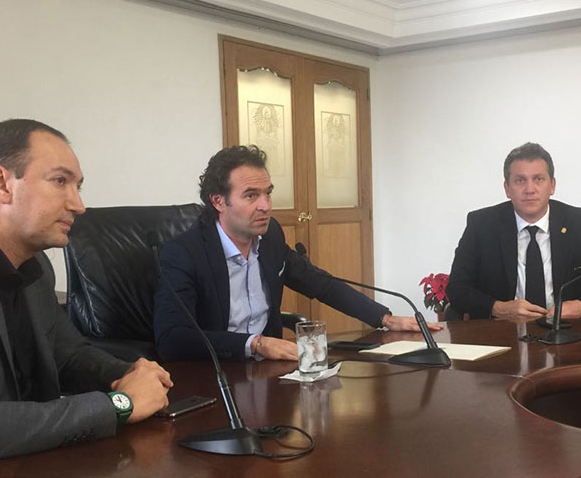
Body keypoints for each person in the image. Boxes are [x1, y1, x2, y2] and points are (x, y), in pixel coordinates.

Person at [0, 119, 173, 474]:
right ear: (1, 183)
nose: (79, 205)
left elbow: (67, 355)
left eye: (78, 186)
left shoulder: (35, 263)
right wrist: (119, 404)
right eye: (60, 181)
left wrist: (130, 374)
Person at [154, 145, 441, 362]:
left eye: (268, 193)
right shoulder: (184, 253)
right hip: (216, 374)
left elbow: (319, 283)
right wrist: (256, 344)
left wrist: (384, 319)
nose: (266, 206)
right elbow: (172, 338)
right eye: (251, 195)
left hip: (271, 372)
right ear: (218, 201)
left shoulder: (270, 236)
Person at [446, 142, 581, 322]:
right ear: (507, 188)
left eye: (538, 179)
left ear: (552, 185)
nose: (529, 190)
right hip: (503, 329)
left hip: (567, 330)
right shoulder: (482, 225)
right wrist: (499, 308)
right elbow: (457, 288)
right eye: (520, 180)